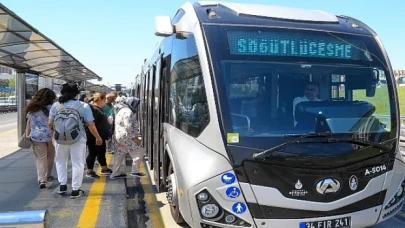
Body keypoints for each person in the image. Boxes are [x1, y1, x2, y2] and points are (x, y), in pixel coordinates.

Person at [48, 82, 103, 198]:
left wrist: (56, 135)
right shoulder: (83, 106)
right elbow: (90, 124)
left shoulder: (55, 106)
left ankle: (62, 185)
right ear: (77, 94)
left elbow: (50, 123)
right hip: (78, 138)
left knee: (60, 161)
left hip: (59, 139)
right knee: (77, 163)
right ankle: (75, 189)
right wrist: (98, 137)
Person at [25, 88, 57, 189]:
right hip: (51, 135)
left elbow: (29, 122)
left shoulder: (32, 108)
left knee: (40, 158)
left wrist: (27, 135)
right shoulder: (53, 108)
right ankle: (48, 175)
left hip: (36, 136)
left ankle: (42, 180)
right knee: (50, 156)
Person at [110, 97, 146, 179]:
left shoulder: (121, 110)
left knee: (120, 154)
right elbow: (128, 126)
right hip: (127, 136)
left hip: (119, 136)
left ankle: (115, 173)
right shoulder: (128, 112)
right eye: (135, 104)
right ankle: (135, 171)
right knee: (140, 150)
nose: (136, 106)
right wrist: (135, 138)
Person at [85, 92, 113, 178]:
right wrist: (97, 136)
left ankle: (104, 168)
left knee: (101, 152)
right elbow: (91, 124)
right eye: (104, 100)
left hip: (100, 136)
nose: (105, 102)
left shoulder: (97, 109)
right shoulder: (94, 109)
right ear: (100, 99)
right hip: (94, 136)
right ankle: (89, 171)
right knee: (92, 153)